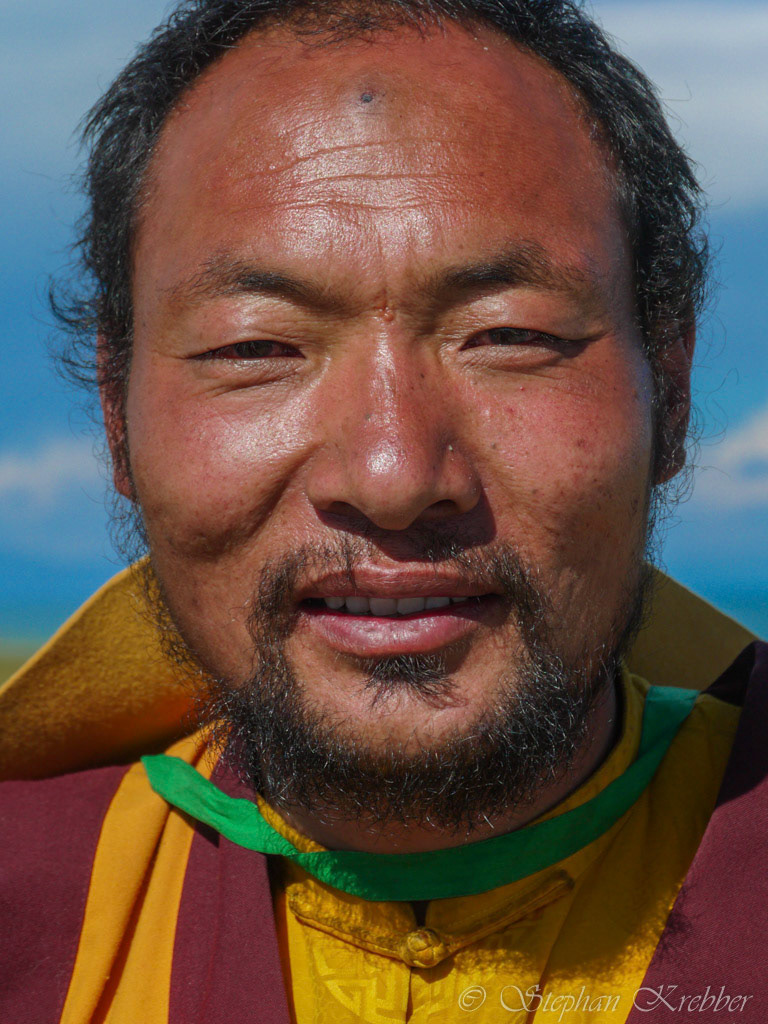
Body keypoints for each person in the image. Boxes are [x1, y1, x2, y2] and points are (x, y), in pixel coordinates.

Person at [1, 1, 766, 1022]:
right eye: (256, 348)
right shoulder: (34, 907)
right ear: (114, 416)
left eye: (507, 334)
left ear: (669, 388)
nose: (395, 473)